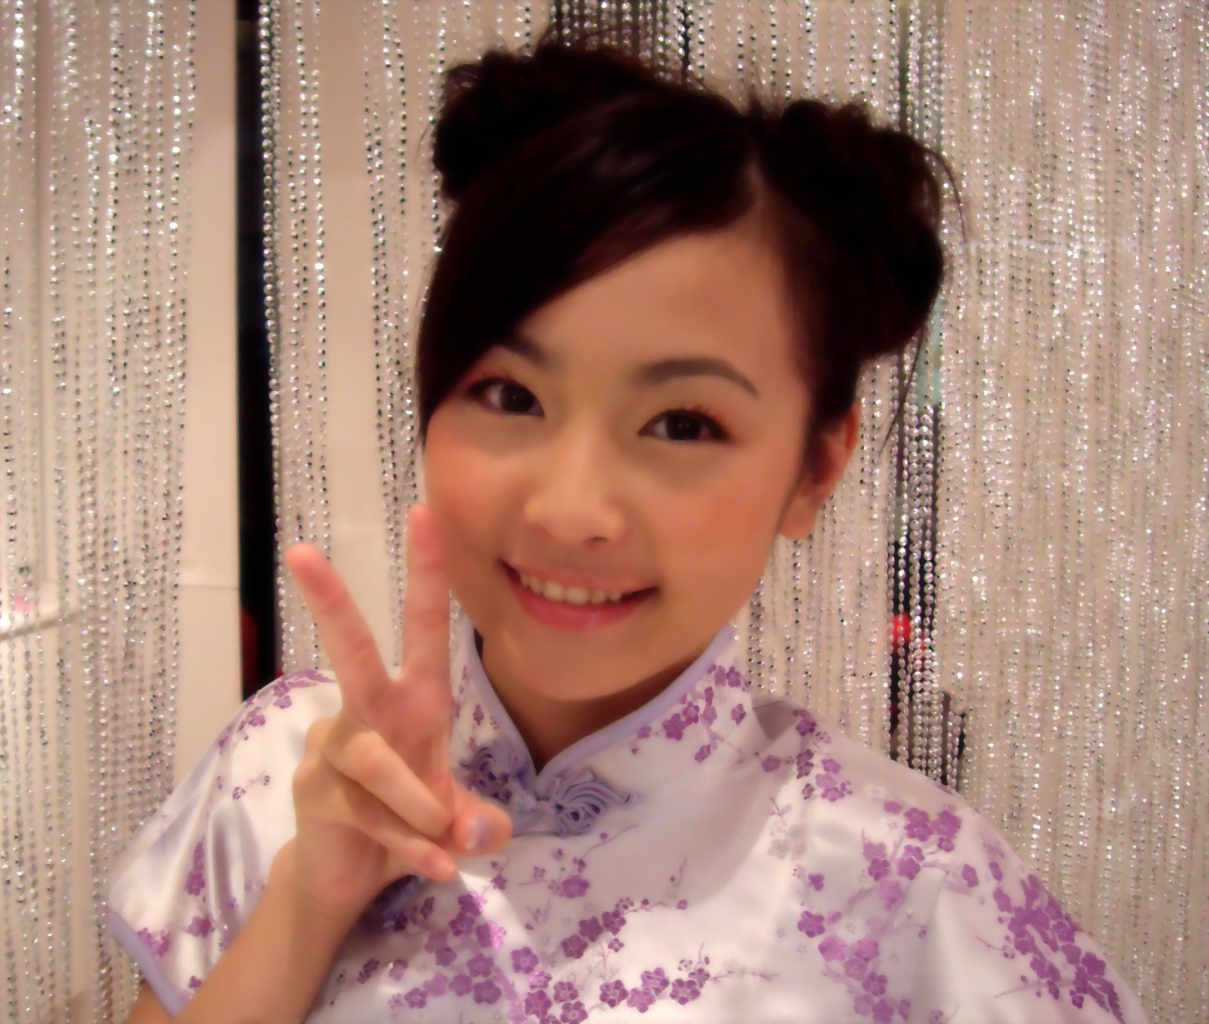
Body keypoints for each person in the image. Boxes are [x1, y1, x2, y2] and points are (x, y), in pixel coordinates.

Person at [110, 24, 1148, 1024]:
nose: (570, 510)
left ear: (813, 467)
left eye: (682, 423)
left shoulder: (915, 884)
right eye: (510, 395)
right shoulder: (285, 766)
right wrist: (307, 902)